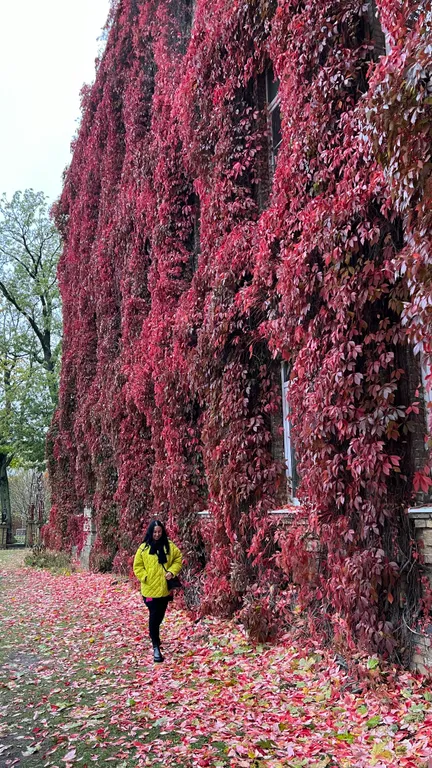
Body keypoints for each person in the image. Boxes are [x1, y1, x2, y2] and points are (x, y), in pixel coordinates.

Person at [133, 520, 182, 663]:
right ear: (150, 532)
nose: (157, 534)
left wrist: (172, 572)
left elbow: (178, 559)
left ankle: (156, 638)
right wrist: (145, 577)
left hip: (164, 590)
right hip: (149, 590)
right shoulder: (143, 548)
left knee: (160, 616)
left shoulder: (169, 546)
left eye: (159, 532)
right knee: (154, 617)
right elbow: (137, 566)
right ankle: (156, 648)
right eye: (154, 532)